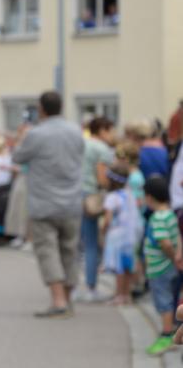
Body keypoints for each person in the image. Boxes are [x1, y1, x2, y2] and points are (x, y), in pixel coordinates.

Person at [12, 91, 85, 318]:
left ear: (41, 109)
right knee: (70, 251)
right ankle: (68, 299)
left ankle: (58, 301)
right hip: (72, 201)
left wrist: (21, 136)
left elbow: (17, 157)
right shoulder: (75, 131)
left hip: (43, 203)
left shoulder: (36, 134)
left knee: (47, 251)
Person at [76, 116, 115, 303]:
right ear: (102, 130)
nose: (112, 135)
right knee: (92, 244)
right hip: (91, 196)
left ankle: (73, 288)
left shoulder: (81, 144)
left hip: (74, 194)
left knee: (77, 243)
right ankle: (91, 287)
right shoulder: (102, 149)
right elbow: (102, 177)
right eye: (110, 130)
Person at [142, 175, 183, 355]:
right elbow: (176, 237)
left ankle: (166, 335)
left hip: (159, 268)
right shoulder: (171, 214)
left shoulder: (157, 217)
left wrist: (172, 257)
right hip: (170, 268)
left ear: (149, 197)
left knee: (163, 302)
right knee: (170, 300)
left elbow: (164, 242)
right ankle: (171, 331)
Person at [102, 164, 140, 305]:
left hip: (116, 235)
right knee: (127, 265)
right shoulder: (130, 194)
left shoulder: (111, 197)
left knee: (118, 267)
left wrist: (103, 229)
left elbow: (108, 219)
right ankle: (127, 294)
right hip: (130, 235)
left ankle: (119, 295)